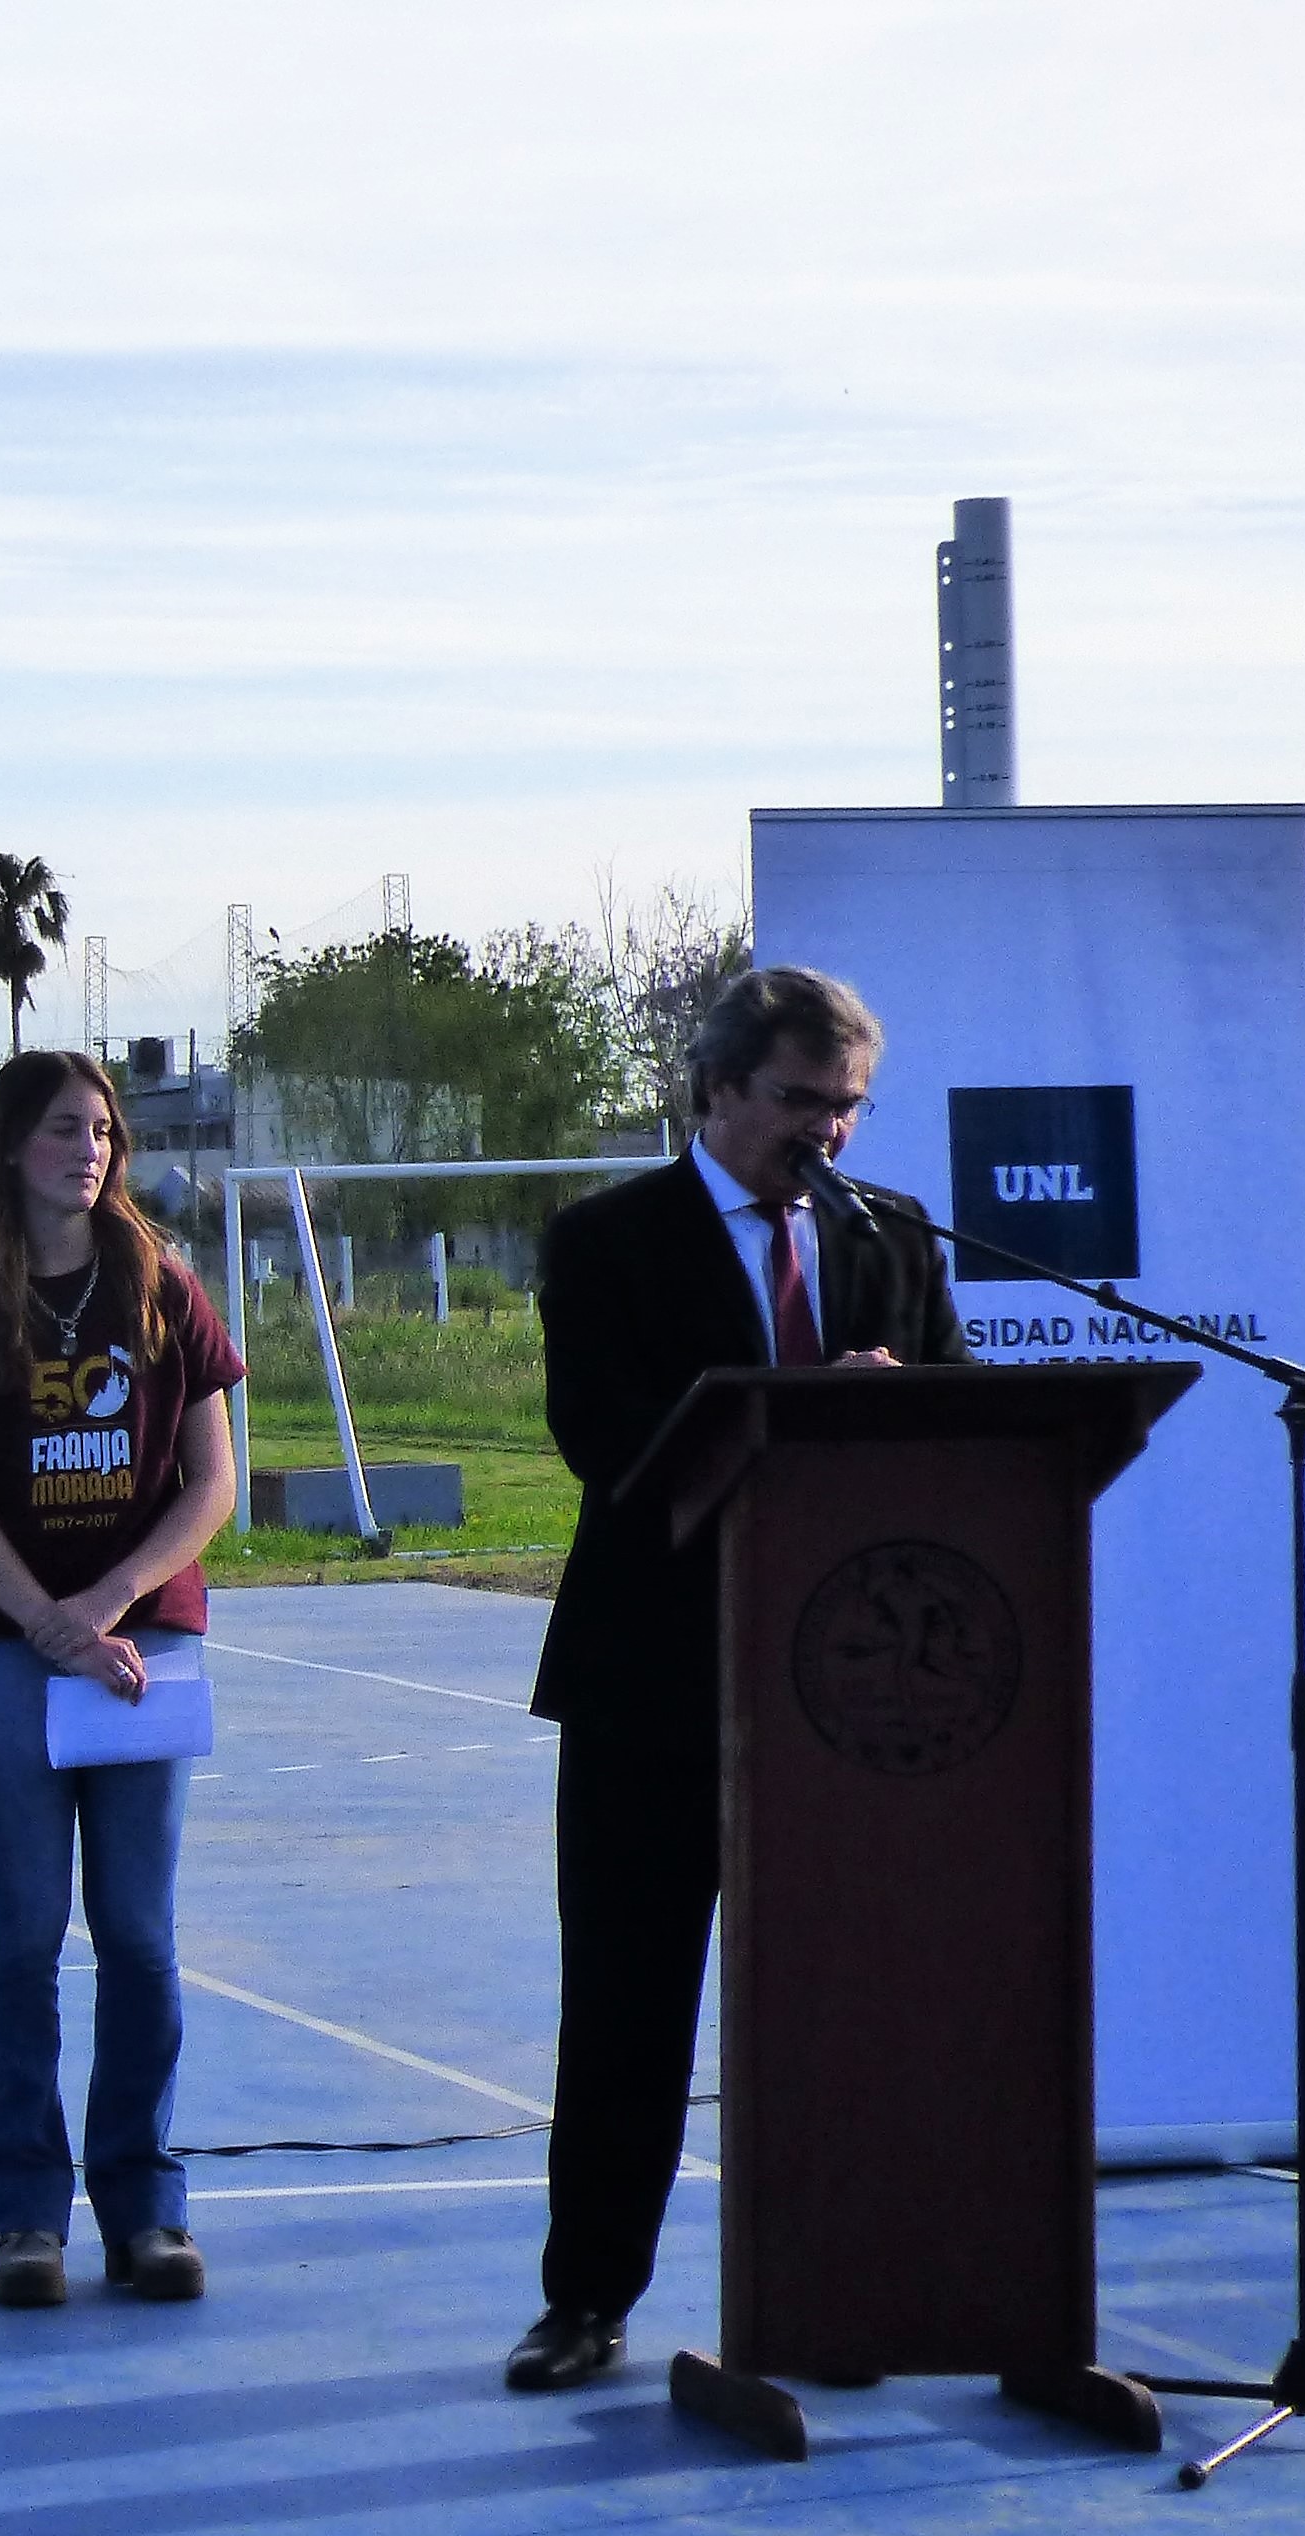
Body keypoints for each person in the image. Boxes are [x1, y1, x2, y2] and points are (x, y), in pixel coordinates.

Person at [507, 964, 966, 2392]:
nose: (827, 1131)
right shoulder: (608, 1239)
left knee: (850, 1996)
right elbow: (606, 1440)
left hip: (855, 1691)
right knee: (629, 2002)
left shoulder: (893, 1233)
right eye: (799, 1099)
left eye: (850, 1106)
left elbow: (960, 1420)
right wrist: (805, 1415)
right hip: (656, 1681)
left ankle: (846, 2283)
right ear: (714, 1090)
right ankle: (588, 2297)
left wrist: (903, 1412)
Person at [0, 1051, 245, 2310]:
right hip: (5, 1653)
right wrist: (45, 1621)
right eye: (60, 1129)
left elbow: (213, 1483)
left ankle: (145, 2204)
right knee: (25, 1930)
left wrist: (104, 1604)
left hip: (143, 1652)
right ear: (9, 1147)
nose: (87, 1150)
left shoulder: (163, 1287)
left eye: (101, 1131)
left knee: (138, 1935)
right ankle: (25, 2215)